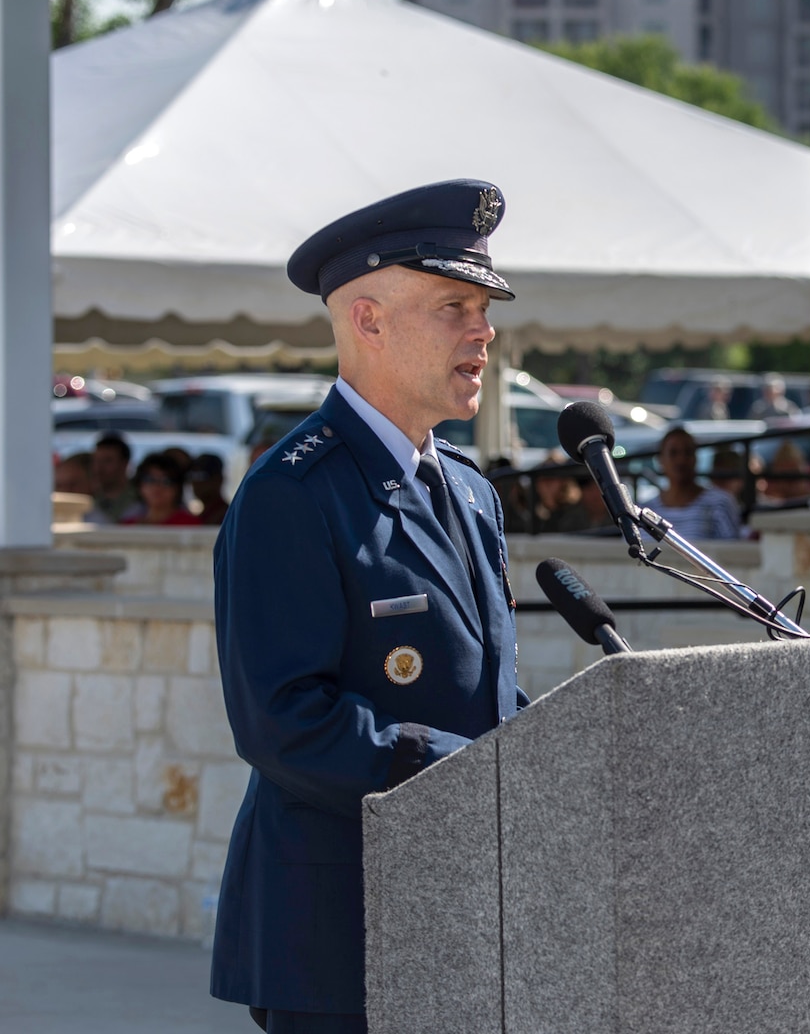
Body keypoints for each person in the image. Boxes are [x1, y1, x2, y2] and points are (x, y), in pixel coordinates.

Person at [209, 180, 527, 1033]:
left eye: (484, 308)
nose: (483, 330)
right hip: (337, 930)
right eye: (454, 304)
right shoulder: (292, 493)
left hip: (461, 915)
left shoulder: (468, 491)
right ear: (369, 320)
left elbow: (487, 689)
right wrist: (463, 772)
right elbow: (282, 723)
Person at [643, 426, 743, 539]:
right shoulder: (646, 510)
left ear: (696, 458)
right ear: (661, 460)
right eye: (673, 453)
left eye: (688, 452)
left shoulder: (720, 502)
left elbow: (732, 552)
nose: (681, 460)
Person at [121, 453, 202, 525]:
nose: (157, 486)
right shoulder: (128, 526)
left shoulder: (189, 524)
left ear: (178, 487)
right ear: (139, 485)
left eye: (166, 481)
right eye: (150, 480)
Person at [531, 449, 593, 533]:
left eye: (551, 478)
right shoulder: (532, 510)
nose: (546, 484)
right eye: (542, 478)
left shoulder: (575, 513)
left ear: (564, 481)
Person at [92, 433, 138, 523]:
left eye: (107, 461)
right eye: (96, 460)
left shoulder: (143, 500)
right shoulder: (89, 499)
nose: (99, 468)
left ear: (124, 464)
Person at [189, 454, 230, 525]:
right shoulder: (205, 515)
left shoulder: (227, 516)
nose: (196, 482)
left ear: (219, 479)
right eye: (193, 476)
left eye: (202, 476)